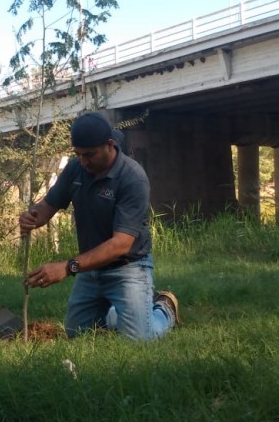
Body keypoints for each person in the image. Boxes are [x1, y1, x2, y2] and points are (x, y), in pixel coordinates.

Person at [19, 111, 179, 341]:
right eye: (78, 154)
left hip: (128, 268)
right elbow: (48, 205)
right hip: (91, 269)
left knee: (139, 341)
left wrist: (67, 267)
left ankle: (164, 309)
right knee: (77, 334)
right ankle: (118, 313)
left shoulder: (132, 178)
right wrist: (32, 216)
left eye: (90, 155)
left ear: (110, 145)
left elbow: (120, 245)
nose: (83, 161)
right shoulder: (76, 168)